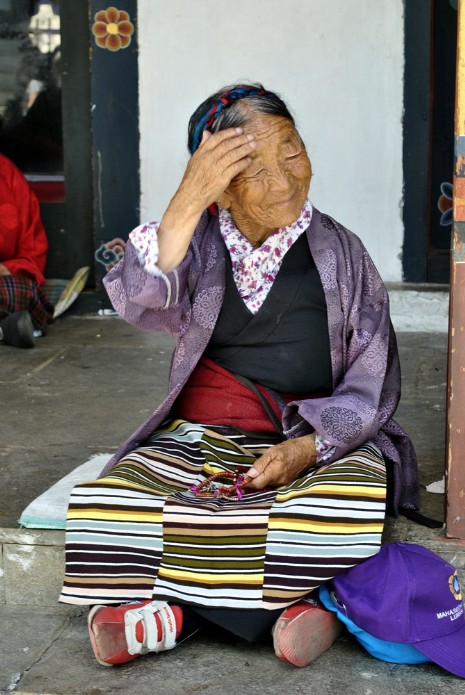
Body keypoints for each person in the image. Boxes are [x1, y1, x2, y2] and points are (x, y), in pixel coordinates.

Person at [59, 83, 420, 668]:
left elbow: (372, 380)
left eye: (292, 151)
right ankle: (296, 605)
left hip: (312, 439)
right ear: (219, 186)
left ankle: (175, 613)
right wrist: (186, 199)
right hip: (200, 437)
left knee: (350, 495)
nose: (284, 180)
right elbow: (140, 298)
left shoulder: (344, 253)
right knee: (110, 498)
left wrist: (308, 448)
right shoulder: (196, 241)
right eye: (253, 168)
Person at [0, 153, 54, 348]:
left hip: (3, 282)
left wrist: (7, 269)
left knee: (23, 291)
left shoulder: (6, 173)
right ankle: (5, 330)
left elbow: (32, 252)